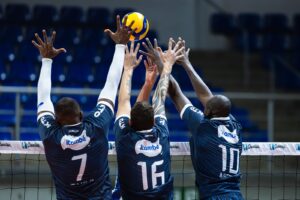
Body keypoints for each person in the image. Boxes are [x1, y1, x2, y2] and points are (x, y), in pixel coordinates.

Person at [33, 15, 135, 200]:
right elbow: (111, 86)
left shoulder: (51, 135)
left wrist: (46, 61)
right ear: (81, 114)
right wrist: (120, 46)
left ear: (56, 120)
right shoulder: (95, 127)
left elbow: (42, 98)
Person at [141, 38, 244, 200]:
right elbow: (208, 98)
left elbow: (175, 93)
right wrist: (187, 64)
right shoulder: (234, 125)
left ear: (209, 111)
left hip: (214, 196)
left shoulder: (204, 126)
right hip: (236, 195)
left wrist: (163, 65)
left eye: (206, 107)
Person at [113, 39, 183, 200]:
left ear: (130, 123)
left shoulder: (124, 138)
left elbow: (124, 101)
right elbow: (159, 99)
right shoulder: (162, 134)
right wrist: (165, 68)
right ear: (153, 121)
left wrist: (128, 68)